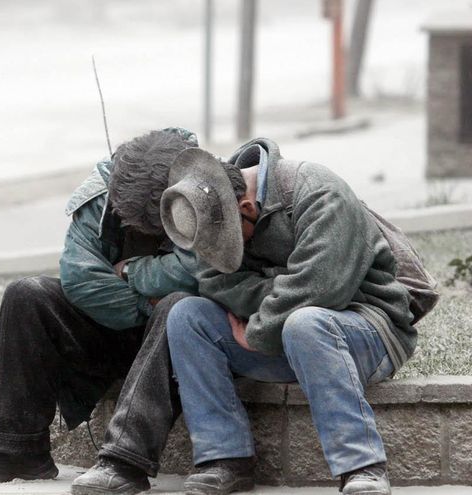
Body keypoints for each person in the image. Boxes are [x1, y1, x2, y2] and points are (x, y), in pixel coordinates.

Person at [159, 139, 437, 495]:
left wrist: (258, 330)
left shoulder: (318, 191)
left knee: (305, 322)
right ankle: (224, 459)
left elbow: (322, 287)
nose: (221, 256)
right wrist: (285, 287)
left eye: (230, 245)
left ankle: (362, 467)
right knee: (187, 316)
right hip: (286, 335)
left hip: (368, 328)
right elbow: (216, 284)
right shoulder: (209, 211)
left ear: (246, 207)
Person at [0, 128, 200, 485]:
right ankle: (17, 451)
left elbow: (198, 272)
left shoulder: (203, 189)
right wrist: (147, 301)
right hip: (111, 327)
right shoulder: (104, 189)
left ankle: (124, 463)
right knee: (25, 293)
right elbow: (81, 279)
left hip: (177, 344)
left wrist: (129, 271)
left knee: (176, 307)